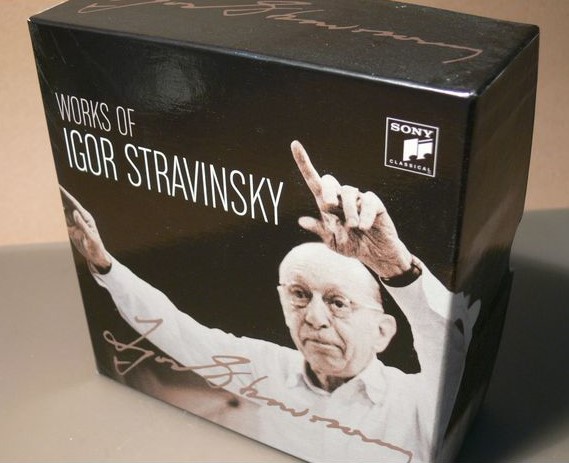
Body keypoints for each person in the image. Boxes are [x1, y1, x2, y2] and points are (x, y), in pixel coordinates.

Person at [62, 140, 479, 463]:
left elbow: (453, 351)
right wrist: (104, 264)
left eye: (338, 303)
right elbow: (178, 332)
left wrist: (395, 268)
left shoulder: (417, 400)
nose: (314, 318)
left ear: (383, 331)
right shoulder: (265, 369)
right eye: (299, 295)